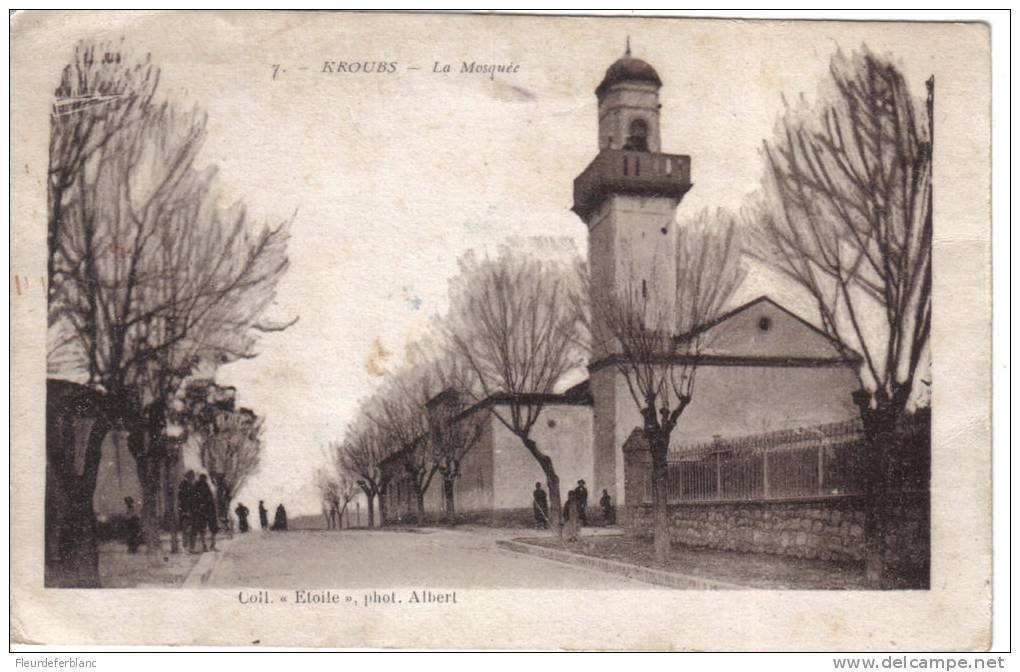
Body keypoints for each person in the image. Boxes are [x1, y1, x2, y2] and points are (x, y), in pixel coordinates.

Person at [194, 473, 218, 552]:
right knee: (206, 528)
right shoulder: (203, 486)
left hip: (205, 510)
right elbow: (209, 499)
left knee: (204, 528)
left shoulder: (200, 486)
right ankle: (208, 545)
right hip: (206, 510)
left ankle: (208, 545)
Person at [178, 470, 197, 552]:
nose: (193, 478)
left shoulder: (192, 485)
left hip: (191, 510)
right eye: (192, 476)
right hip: (186, 511)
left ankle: (191, 547)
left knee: (192, 530)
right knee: (186, 529)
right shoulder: (184, 485)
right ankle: (186, 547)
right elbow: (182, 499)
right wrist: (185, 510)